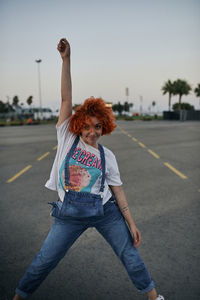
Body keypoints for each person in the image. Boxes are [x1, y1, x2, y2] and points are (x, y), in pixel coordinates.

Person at [13, 38, 164, 300]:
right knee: (44, 260)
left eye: (97, 127)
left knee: (129, 254)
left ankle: (155, 298)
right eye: (87, 126)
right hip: (69, 213)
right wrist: (66, 60)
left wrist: (131, 223)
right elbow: (65, 98)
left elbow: (118, 193)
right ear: (78, 125)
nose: (91, 133)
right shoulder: (66, 137)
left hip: (104, 211)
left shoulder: (108, 157)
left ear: (104, 127)